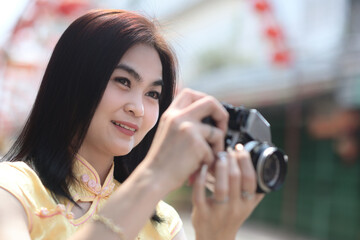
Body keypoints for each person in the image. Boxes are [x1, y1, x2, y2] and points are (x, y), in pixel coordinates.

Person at [0, 9, 263, 240]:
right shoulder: (13, 192)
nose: (137, 108)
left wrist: (216, 235)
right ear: (73, 81)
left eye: (153, 94)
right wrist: (154, 176)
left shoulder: (163, 222)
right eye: (123, 81)